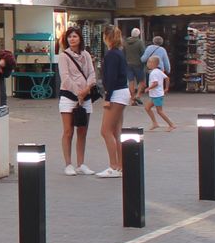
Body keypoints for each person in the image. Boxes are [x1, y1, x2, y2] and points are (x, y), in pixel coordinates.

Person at [57, 27, 98, 176]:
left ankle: (81, 164)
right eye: (69, 37)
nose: (72, 39)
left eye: (75, 36)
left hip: (85, 97)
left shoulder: (86, 54)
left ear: (80, 38)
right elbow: (65, 78)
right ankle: (68, 164)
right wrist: (78, 92)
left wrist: (86, 90)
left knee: (82, 130)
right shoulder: (63, 56)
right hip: (69, 96)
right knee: (68, 131)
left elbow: (92, 73)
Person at [96, 24, 130, 178]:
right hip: (123, 92)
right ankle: (122, 165)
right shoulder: (119, 53)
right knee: (117, 131)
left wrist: (107, 98)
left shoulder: (111, 54)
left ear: (106, 37)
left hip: (116, 93)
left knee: (106, 130)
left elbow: (110, 77)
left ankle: (113, 166)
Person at [140, 56, 179, 132]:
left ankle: (171, 124)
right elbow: (167, 78)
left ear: (154, 64)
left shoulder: (153, 73)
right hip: (156, 95)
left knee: (159, 111)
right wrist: (166, 88)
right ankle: (155, 123)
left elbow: (155, 83)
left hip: (156, 95)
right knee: (147, 108)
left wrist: (148, 88)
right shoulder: (159, 71)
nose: (148, 64)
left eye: (149, 62)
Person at [124, 27, 147, 102]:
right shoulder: (140, 42)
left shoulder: (125, 42)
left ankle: (132, 96)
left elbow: (123, 52)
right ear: (139, 34)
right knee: (141, 81)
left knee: (131, 81)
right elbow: (143, 53)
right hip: (138, 64)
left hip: (128, 64)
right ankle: (138, 95)